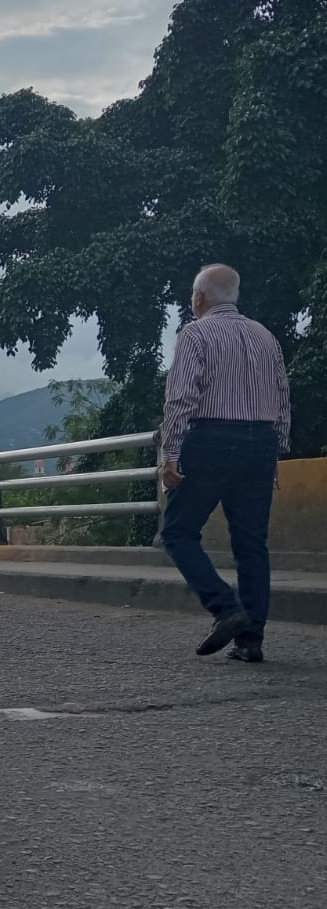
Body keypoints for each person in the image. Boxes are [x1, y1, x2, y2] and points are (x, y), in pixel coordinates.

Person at [159, 264, 292, 662]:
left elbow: (181, 397)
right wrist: (276, 451)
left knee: (179, 532)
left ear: (200, 298)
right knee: (251, 543)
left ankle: (226, 607)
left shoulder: (196, 333)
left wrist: (171, 453)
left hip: (213, 439)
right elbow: (283, 397)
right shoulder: (266, 336)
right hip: (262, 443)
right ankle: (251, 641)